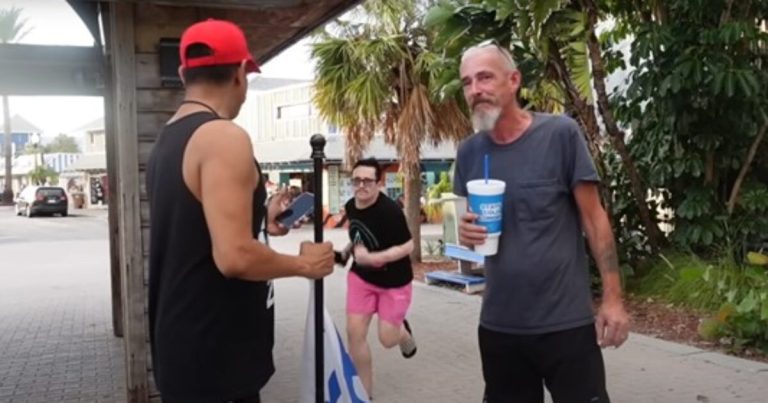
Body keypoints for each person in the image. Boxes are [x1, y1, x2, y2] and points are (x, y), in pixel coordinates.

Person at [145, 19, 335, 403]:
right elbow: (233, 257)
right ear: (239, 74)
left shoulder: (168, 139)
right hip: (215, 356)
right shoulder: (223, 137)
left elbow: (195, 229)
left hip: (186, 349)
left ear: (183, 74)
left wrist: (260, 219)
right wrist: (304, 265)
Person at [454, 41, 630, 403]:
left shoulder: (559, 134)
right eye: (467, 82)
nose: (475, 89)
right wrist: (467, 233)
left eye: (485, 77)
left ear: (514, 80)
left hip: (565, 324)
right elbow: (473, 231)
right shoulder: (469, 152)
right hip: (500, 326)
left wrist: (613, 299)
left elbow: (594, 219)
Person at [336, 158, 418, 400]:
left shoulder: (390, 212)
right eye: (356, 180)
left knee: (387, 339)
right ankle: (364, 394)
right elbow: (359, 235)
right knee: (354, 334)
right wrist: (346, 252)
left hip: (394, 282)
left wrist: (373, 258)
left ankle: (402, 332)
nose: (361, 185)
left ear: (379, 183)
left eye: (367, 181)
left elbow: (408, 246)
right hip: (361, 278)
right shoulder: (351, 206)